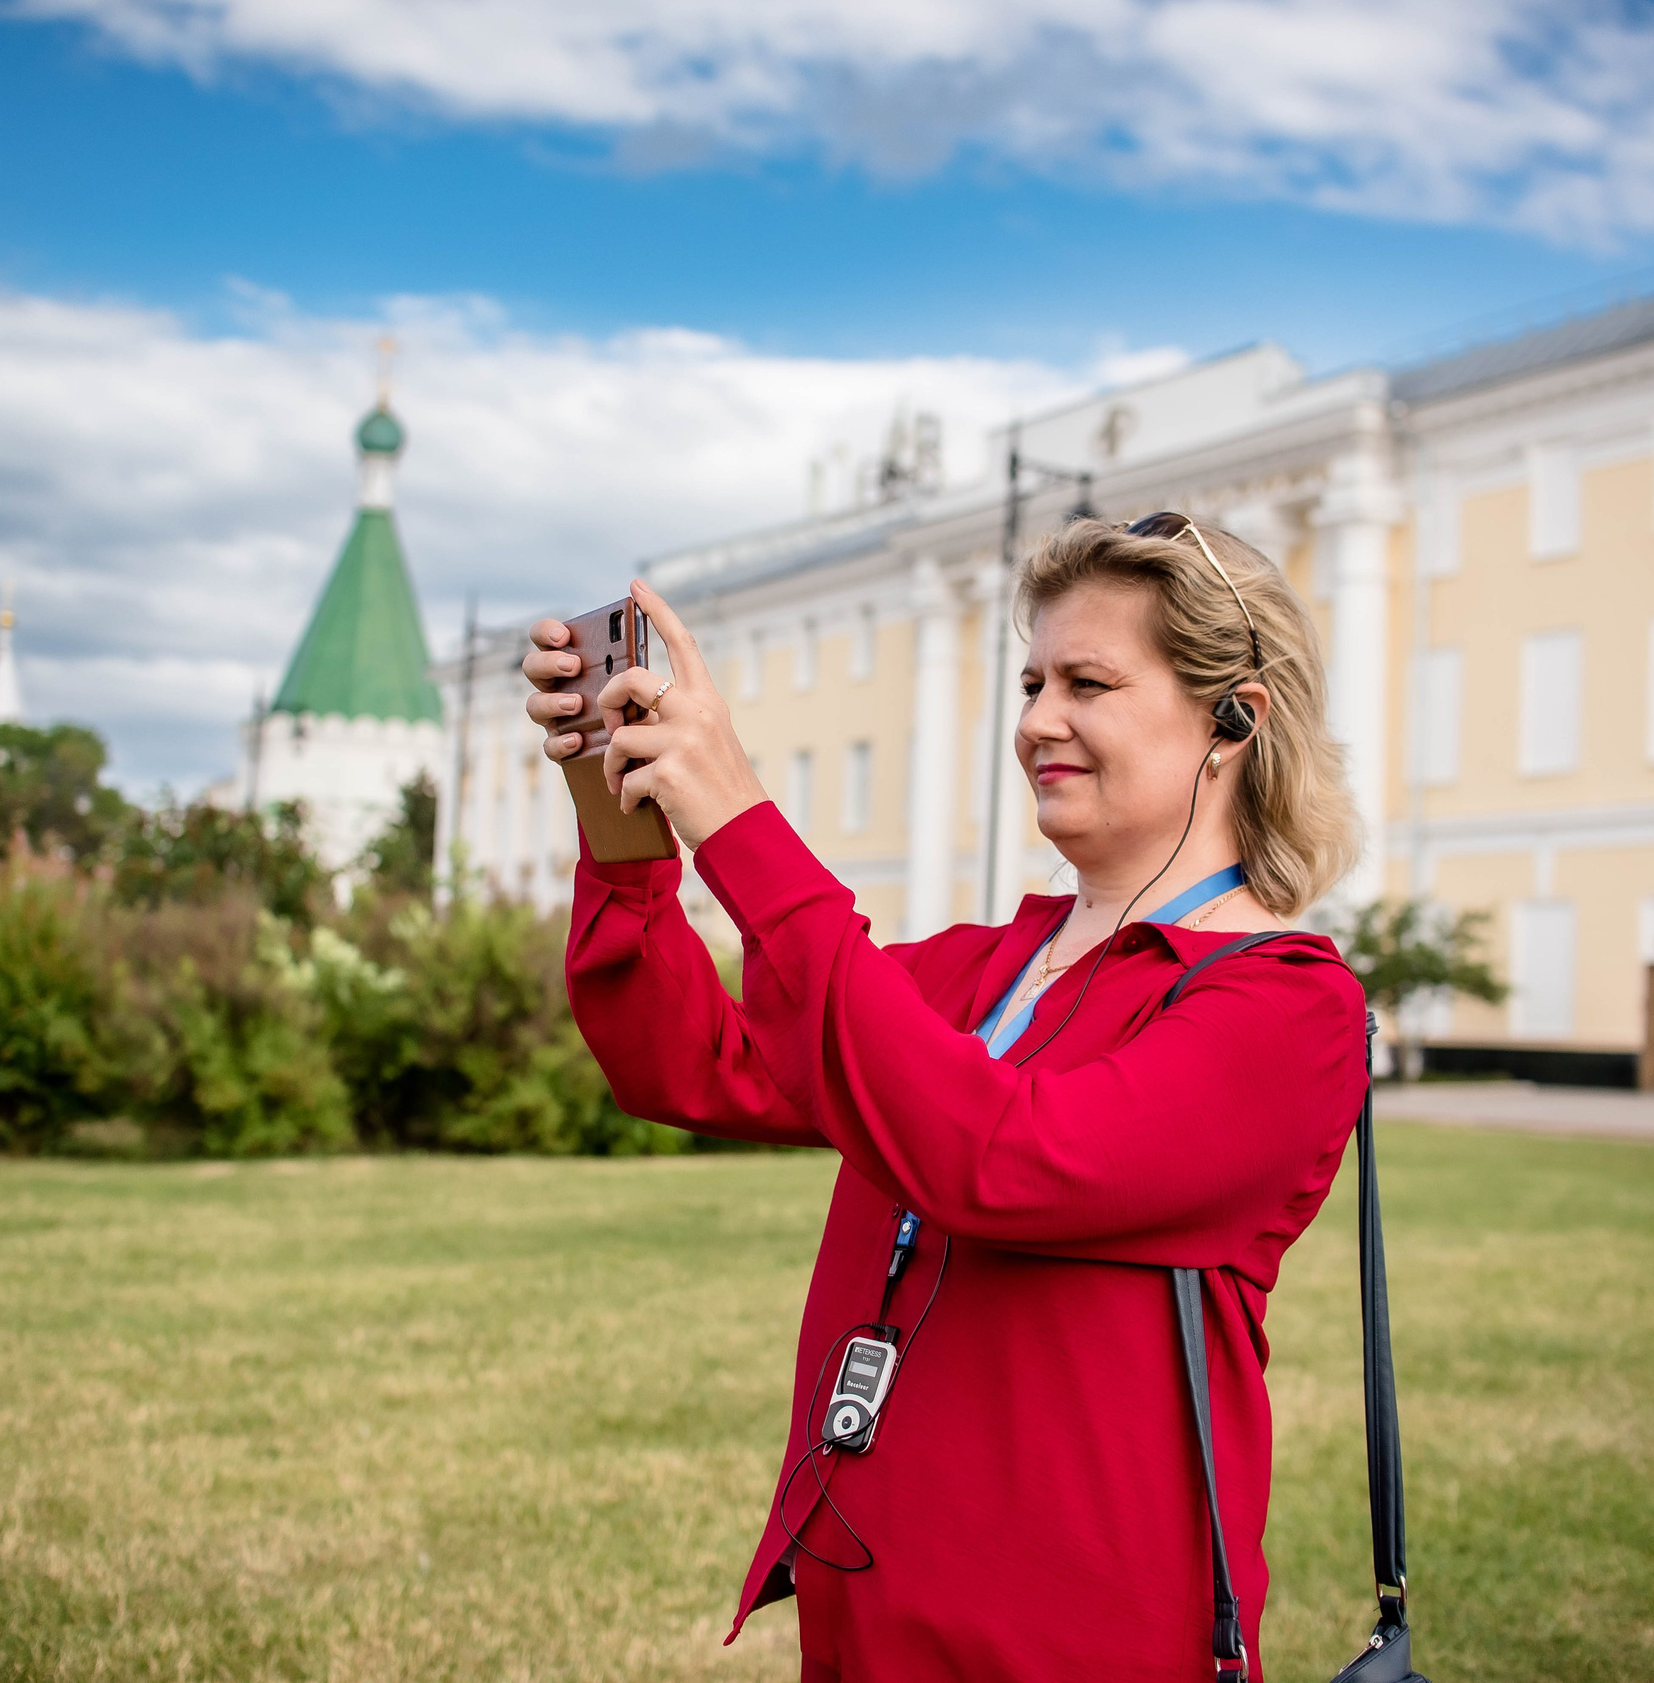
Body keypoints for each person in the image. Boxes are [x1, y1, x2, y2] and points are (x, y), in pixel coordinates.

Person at [524, 514, 1368, 1681]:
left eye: (1088, 681)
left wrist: (741, 818)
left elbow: (997, 1160)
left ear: (1235, 716)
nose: (1034, 720)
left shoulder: (1285, 1007)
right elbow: (690, 1059)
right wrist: (613, 811)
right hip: (870, 1592)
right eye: (1031, 679)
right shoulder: (983, 966)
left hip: (1077, 1635)